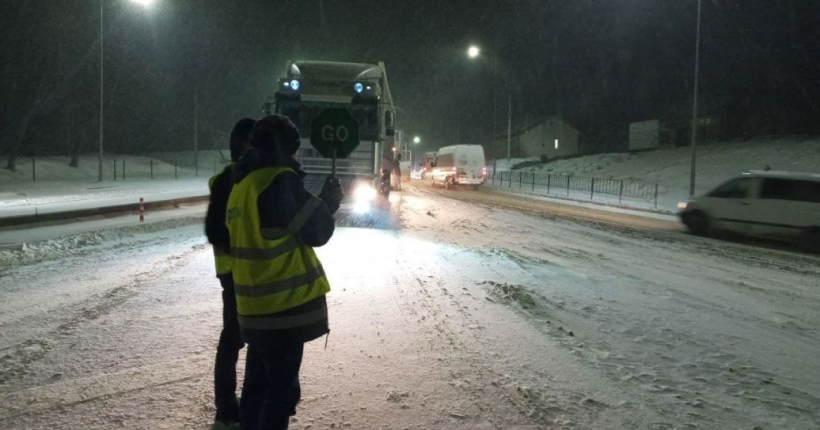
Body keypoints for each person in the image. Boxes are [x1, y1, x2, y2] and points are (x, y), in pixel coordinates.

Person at [226, 115, 343, 430]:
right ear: (286, 149)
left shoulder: (243, 183)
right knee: (280, 393)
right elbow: (317, 231)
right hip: (283, 309)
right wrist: (329, 203)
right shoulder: (278, 180)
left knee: (255, 388)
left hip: (253, 309)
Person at [205, 118, 256, 428]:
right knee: (244, 340)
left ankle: (228, 406)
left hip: (232, 274)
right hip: (243, 275)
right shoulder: (238, 181)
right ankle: (236, 406)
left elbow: (213, 230)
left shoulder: (227, 180)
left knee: (234, 340)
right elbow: (216, 230)